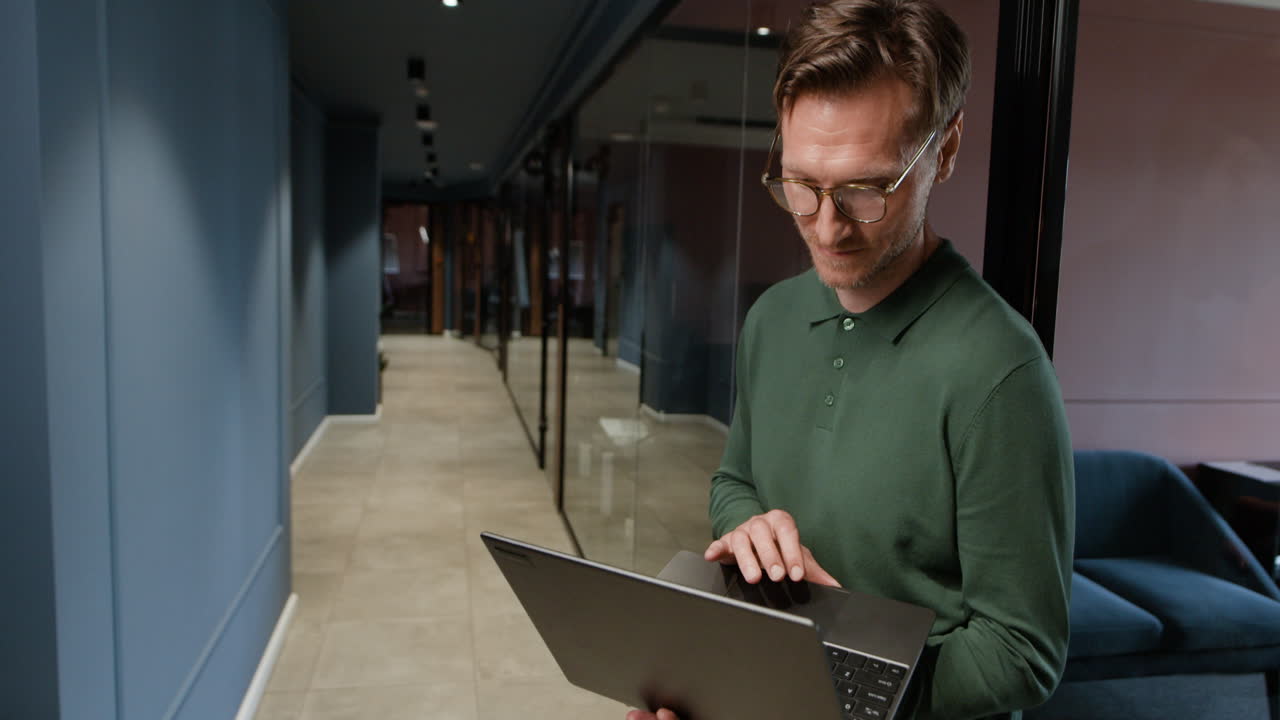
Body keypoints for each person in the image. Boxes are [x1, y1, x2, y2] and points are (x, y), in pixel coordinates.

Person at [627, 1, 1074, 719]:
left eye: (867, 188)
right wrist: (751, 524)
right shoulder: (771, 318)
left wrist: (847, 670)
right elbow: (733, 479)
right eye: (801, 184)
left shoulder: (1000, 371)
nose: (827, 226)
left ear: (946, 149)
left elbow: (1024, 652)